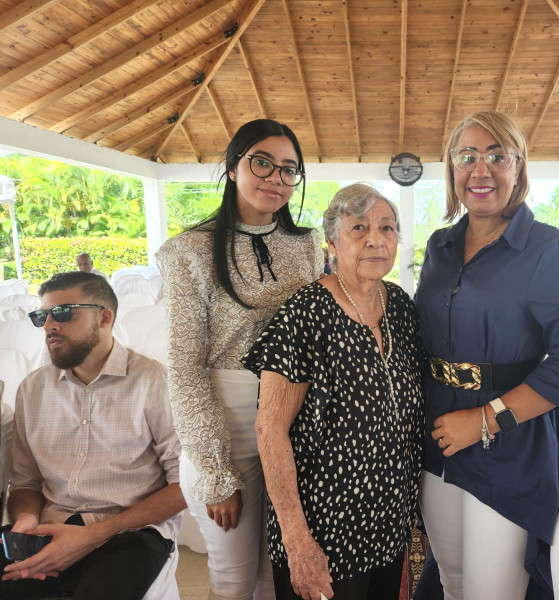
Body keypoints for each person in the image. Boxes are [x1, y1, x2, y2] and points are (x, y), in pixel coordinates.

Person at [415, 111, 559, 599]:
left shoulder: (549, 250)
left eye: (498, 156)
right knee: (451, 580)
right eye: (467, 157)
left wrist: (484, 419)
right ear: (451, 169)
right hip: (436, 441)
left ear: (519, 168)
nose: (481, 171)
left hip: (508, 446)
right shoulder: (439, 245)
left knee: (492, 591)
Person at [156, 119, 324, 600]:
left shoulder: (308, 245)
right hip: (226, 428)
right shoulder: (188, 251)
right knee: (234, 580)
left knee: (280, 574)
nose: (276, 178)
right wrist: (214, 470)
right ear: (233, 168)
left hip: (294, 424)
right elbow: (184, 368)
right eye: (263, 163)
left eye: (289, 170)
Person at [242, 183, 424, 600]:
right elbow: (269, 430)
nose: (376, 239)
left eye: (387, 227)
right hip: (324, 528)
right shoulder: (302, 317)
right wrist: (297, 540)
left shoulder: (400, 306)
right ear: (332, 242)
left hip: (388, 521)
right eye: (359, 228)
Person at [0, 271, 184, 600]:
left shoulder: (154, 382)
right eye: (42, 315)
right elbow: (25, 482)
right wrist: (26, 521)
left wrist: (94, 535)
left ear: (104, 317)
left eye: (63, 312)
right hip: (50, 523)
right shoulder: (32, 389)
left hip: (130, 531)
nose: (49, 325)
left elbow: (185, 485)